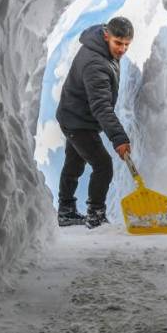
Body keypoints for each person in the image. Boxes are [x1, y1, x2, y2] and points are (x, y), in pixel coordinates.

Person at [54, 17, 134, 228]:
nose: (122, 49)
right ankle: (95, 214)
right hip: (78, 121)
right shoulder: (95, 64)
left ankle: (66, 211)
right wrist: (119, 138)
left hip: (75, 114)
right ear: (106, 35)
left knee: (74, 163)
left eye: (127, 44)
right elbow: (101, 107)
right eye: (118, 43)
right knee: (103, 165)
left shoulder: (100, 46)